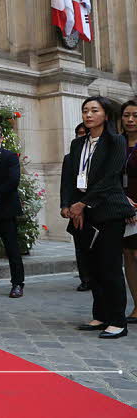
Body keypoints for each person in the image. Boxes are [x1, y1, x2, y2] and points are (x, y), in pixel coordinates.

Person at [60, 96, 132, 339]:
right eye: (85, 111)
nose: (88, 115)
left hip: (108, 211)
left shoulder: (116, 141)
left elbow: (110, 179)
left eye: (94, 110)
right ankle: (100, 315)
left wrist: (83, 203)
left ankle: (118, 321)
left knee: (110, 267)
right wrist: (70, 205)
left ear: (105, 114)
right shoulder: (77, 144)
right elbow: (71, 176)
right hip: (83, 214)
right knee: (92, 268)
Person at [0, 126, 26, 298]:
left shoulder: (10, 156)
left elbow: (13, 181)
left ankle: (17, 283)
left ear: (1, 138)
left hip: (5, 209)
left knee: (12, 248)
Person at [63, 122, 92, 291]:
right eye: (78, 133)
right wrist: (65, 205)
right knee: (80, 246)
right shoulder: (70, 157)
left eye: (84, 133)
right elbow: (65, 183)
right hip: (76, 207)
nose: (81, 136)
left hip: (95, 205)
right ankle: (85, 278)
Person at [119, 99, 137, 324]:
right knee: (129, 256)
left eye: (135, 115)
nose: (131, 120)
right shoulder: (117, 143)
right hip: (122, 205)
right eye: (126, 115)